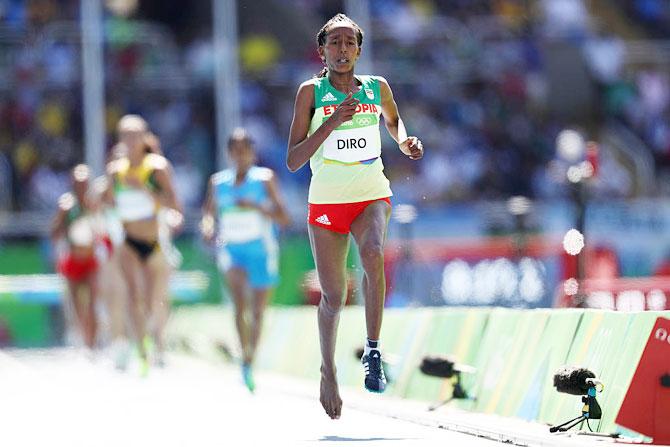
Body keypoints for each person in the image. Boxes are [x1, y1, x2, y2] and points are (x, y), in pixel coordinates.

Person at [287, 13, 423, 419]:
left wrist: (406, 143)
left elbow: (395, 124)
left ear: (359, 50)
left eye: (349, 43)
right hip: (327, 204)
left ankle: (374, 350)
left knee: (374, 251)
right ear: (322, 51)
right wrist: (331, 124)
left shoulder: (376, 87)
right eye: (335, 43)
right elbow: (293, 160)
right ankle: (328, 371)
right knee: (334, 296)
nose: (342, 50)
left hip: (370, 194)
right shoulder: (310, 92)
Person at [202, 128, 290, 392]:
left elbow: (284, 217)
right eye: (235, 150)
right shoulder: (218, 183)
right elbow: (208, 213)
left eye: (245, 150)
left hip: (261, 249)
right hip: (232, 249)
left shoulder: (264, 180)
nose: (240, 155)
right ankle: (243, 355)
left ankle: (251, 357)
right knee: (239, 301)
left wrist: (257, 207)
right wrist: (207, 227)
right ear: (229, 153)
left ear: (252, 152)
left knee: (258, 310)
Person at [105, 115, 182, 374]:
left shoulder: (157, 167)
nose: (130, 141)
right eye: (125, 136)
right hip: (128, 241)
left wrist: (145, 190)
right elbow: (106, 202)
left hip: (154, 240)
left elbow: (173, 203)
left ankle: (154, 340)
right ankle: (140, 349)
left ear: (145, 137)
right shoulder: (116, 170)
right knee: (132, 295)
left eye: (135, 135)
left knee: (152, 300)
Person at [51, 164, 103, 351]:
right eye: (78, 182)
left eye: (85, 182)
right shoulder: (67, 204)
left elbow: (103, 230)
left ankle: (92, 343)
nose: (81, 186)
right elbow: (55, 232)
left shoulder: (95, 204)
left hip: (90, 260)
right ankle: (80, 338)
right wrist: (63, 217)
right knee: (75, 304)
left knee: (93, 303)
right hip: (73, 260)